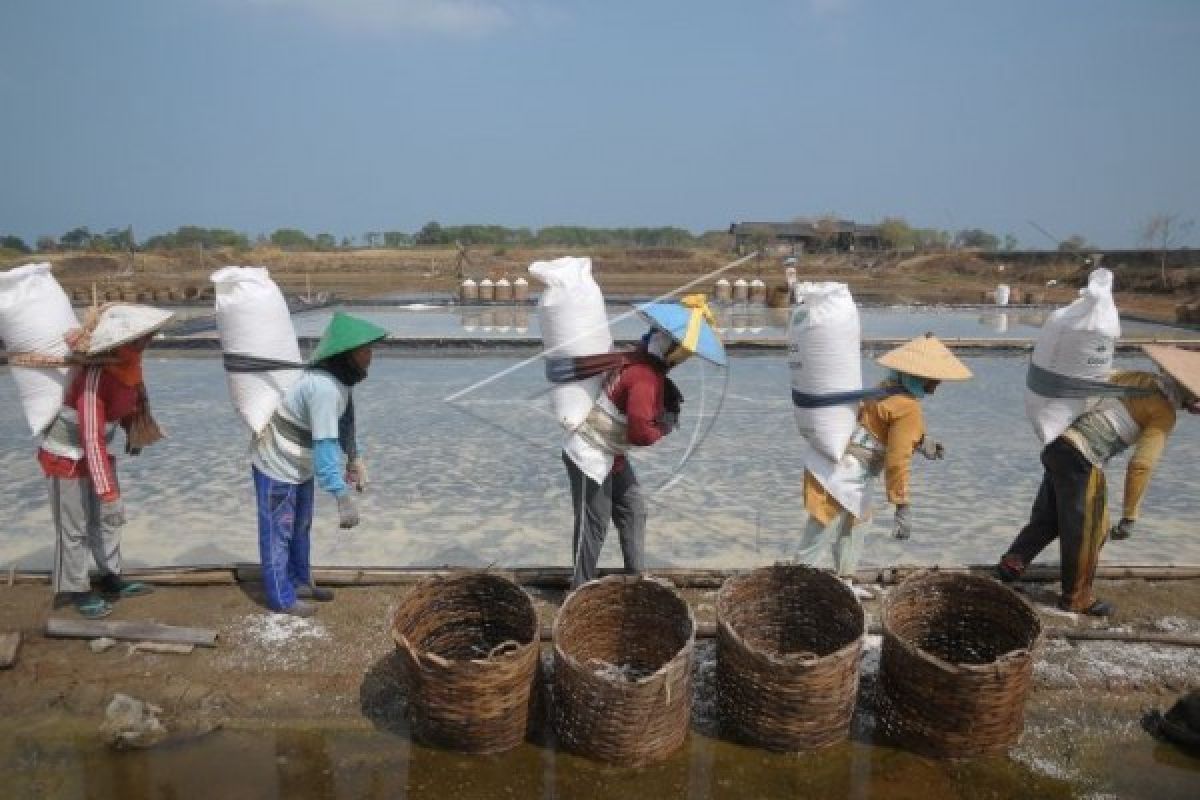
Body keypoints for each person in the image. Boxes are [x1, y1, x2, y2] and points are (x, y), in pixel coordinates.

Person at [996, 345, 1200, 616]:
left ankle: (1012, 564)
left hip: (1060, 444)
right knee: (1090, 531)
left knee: (1050, 518)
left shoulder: (1138, 379)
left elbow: (1095, 379)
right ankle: (1077, 598)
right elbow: (1141, 465)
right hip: (1083, 457)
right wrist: (1130, 515)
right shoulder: (1164, 413)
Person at [560, 294, 725, 589]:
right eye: (683, 355)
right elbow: (639, 432)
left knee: (633, 508)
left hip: (612, 454)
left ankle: (636, 579)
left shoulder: (636, 357)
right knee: (594, 524)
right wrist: (664, 427)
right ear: (673, 351)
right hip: (589, 453)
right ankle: (579, 588)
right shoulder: (645, 377)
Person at [796, 334, 972, 597]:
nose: (935, 387)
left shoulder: (884, 388)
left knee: (855, 523)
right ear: (918, 377)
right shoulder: (909, 408)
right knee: (825, 527)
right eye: (932, 380)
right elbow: (897, 460)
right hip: (847, 472)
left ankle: (844, 582)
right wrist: (902, 505)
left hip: (835, 462)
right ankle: (795, 584)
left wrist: (921, 441)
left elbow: (880, 429)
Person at [38, 303, 174, 619]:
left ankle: (111, 577)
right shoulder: (95, 378)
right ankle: (76, 589)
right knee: (74, 528)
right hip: (66, 458)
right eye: (141, 339)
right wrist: (109, 492)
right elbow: (90, 438)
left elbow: (126, 409)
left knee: (107, 521)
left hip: (97, 454)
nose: (147, 342)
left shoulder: (130, 369)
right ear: (122, 343)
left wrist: (135, 430)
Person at [250, 311, 387, 617]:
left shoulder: (342, 380)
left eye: (370, 350)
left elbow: (347, 421)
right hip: (277, 463)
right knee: (278, 530)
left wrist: (354, 458)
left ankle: (299, 582)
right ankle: (281, 599)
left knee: (301, 525)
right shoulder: (323, 389)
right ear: (346, 354)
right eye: (365, 351)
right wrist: (341, 496)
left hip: (300, 463)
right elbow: (325, 445)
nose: (370, 357)